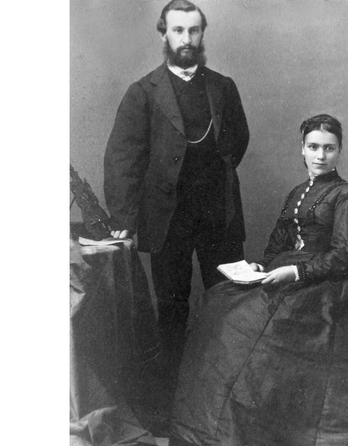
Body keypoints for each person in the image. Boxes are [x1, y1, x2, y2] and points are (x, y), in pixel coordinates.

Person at [169, 114, 348, 446]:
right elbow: (279, 244)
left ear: (339, 151)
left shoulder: (346, 197)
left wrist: (295, 273)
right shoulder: (297, 192)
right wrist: (263, 265)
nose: (320, 155)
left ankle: (257, 430)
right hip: (285, 274)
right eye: (313, 147)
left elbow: (344, 256)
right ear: (302, 149)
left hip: (328, 286)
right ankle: (215, 425)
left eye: (329, 148)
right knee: (219, 306)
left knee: (265, 327)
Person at [104, 0, 250, 384]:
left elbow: (238, 140)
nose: (187, 39)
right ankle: (171, 397)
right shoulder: (143, 92)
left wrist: (215, 178)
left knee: (228, 304)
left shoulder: (222, 87)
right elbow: (122, 159)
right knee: (171, 309)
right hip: (168, 219)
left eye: (194, 30)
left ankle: (221, 398)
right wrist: (123, 217)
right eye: (178, 30)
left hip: (218, 215)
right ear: (164, 34)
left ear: (202, 34)